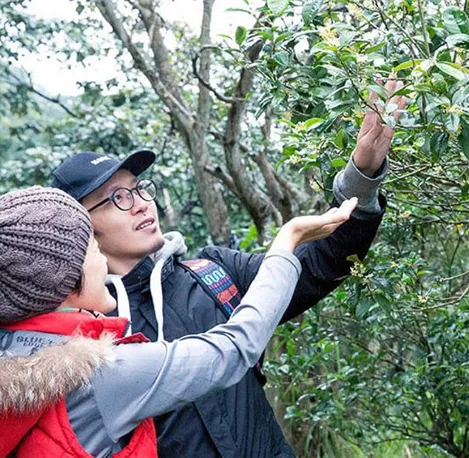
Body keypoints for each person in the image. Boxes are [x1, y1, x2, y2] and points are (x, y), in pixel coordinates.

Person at [50, 79, 407, 457]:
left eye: (139, 188)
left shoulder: (211, 273)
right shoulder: (81, 341)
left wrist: (362, 178)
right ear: (80, 226)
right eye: (117, 198)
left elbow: (321, 262)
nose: (140, 204)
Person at [0, 186, 357, 458]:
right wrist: (286, 242)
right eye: (89, 247)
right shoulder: (99, 376)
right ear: (66, 280)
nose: (99, 257)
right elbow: (233, 351)